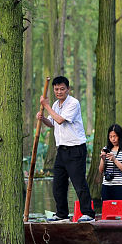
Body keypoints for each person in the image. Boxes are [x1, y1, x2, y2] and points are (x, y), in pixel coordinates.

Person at [37, 76, 95, 222]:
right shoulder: (56, 105)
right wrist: (42, 118)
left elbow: (60, 120)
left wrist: (46, 105)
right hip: (61, 150)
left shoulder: (73, 103)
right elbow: (52, 123)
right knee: (58, 184)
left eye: (62, 89)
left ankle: (88, 213)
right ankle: (61, 214)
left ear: (68, 89)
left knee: (78, 182)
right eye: (56, 89)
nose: (59, 91)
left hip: (76, 149)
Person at [98, 124, 122, 203]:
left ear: (120, 136)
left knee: (120, 212)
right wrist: (103, 159)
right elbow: (100, 170)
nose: (113, 139)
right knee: (107, 211)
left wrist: (114, 160)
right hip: (107, 186)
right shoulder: (106, 149)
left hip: (121, 186)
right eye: (110, 137)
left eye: (115, 136)